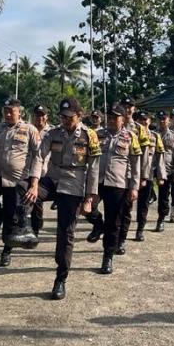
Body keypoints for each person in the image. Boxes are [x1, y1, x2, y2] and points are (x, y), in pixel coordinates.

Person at [22, 97, 101, 300]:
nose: (65, 120)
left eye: (69, 117)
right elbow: (39, 156)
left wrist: (89, 198)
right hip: (53, 178)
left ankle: (60, 279)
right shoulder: (53, 133)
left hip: (74, 183)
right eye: (62, 117)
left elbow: (93, 169)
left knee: (65, 233)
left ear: (79, 115)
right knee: (25, 191)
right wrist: (34, 183)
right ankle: (27, 227)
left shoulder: (90, 136)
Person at [0, 98, 42, 267]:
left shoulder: (29, 130)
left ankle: (6, 252)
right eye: (5, 111)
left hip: (16, 179)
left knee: (12, 217)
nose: (7, 114)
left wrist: (34, 183)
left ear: (19, 112)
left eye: (11, 111)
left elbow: (38, 157)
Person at [95, 103, 141, 274]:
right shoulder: (97, 135)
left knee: (113, 222)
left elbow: (135, 165)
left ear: (123, 119)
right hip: (97, 182)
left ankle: (107, 257)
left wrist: (134, 187)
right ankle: (97, 225)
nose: (112, 120)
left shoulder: (131, 137)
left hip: (117, 184)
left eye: (116, 117)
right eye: (110, 116)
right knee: (85, 209)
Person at [133, 110, 164, 242]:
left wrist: (161, 176)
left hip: (148, 173)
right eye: (140, 120)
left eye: (145, 120)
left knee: (143, 204)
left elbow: (160, 157)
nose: (143, 122)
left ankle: (140, 229)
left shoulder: (155, 136)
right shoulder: (131, 135)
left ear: (150, 121)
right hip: (131, 173)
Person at [155, 110, 174, 232]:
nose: (162, 121)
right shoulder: (152, 135)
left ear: (168, 120)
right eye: (159, 119)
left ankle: (162, 219)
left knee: (165, 195)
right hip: (153, 170)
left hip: (168, 170)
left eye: (164, 119)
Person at [31, 105, 56, 228]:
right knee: (32, 197)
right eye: (37, 115)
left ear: (47, 117)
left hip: (47, 172)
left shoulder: (53, 131)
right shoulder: (28, 129)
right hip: (30, 169)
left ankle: (36, 222)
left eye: (42, 115)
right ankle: (36, 223)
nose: (39, 118)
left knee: (37, 196)